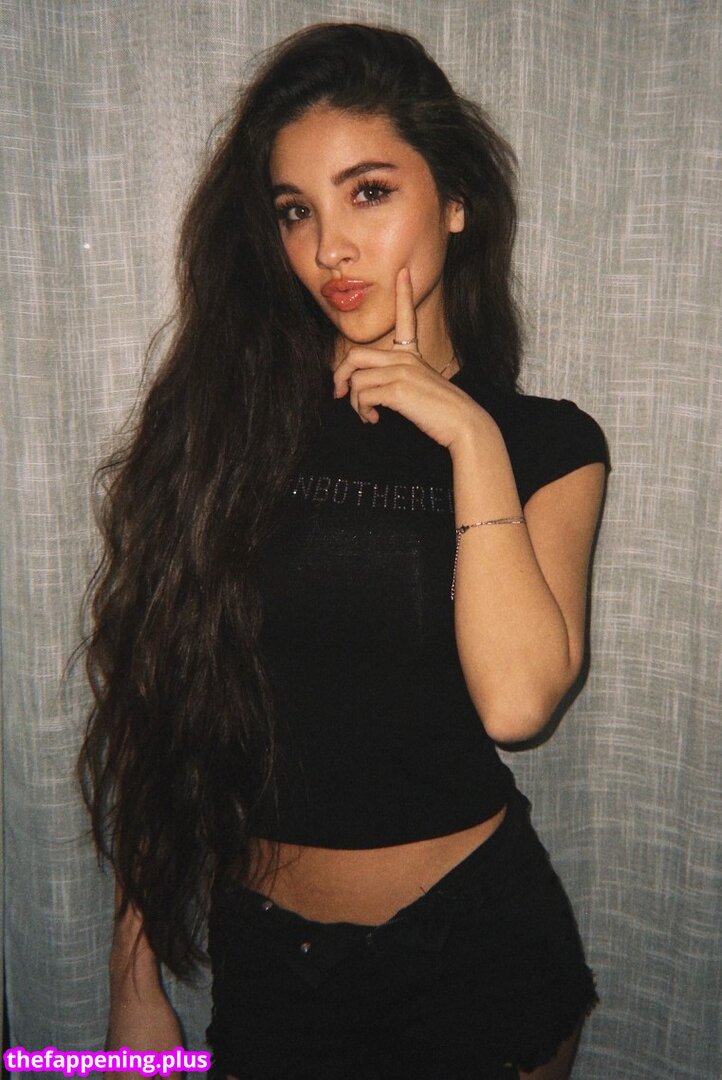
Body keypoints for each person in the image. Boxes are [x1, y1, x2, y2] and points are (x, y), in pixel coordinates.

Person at [79, 22, 609, 1080]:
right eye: (296, 211)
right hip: (274, 960)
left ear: (454, 200)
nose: (328, 248)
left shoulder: (546, 443)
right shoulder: (226, 428)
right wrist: (133, 980)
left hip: (475, 949)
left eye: (367, 192)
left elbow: (517, 705)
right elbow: (161, 710)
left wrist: (468, 435)